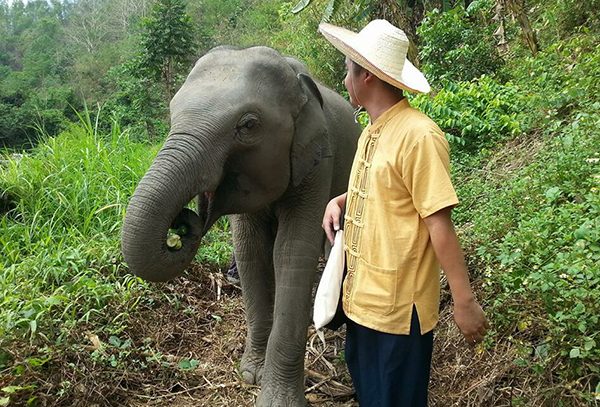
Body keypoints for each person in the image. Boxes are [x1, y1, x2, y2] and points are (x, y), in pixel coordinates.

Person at [319, 20, 489, 406]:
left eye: (348, 70)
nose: (345, 79)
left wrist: (464, 301)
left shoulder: (419, 135)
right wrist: (340, 201)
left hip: (397, 311)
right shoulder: (372, 131)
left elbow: (437, 221)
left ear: (366, 77)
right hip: (361, 302)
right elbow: (385, 188)